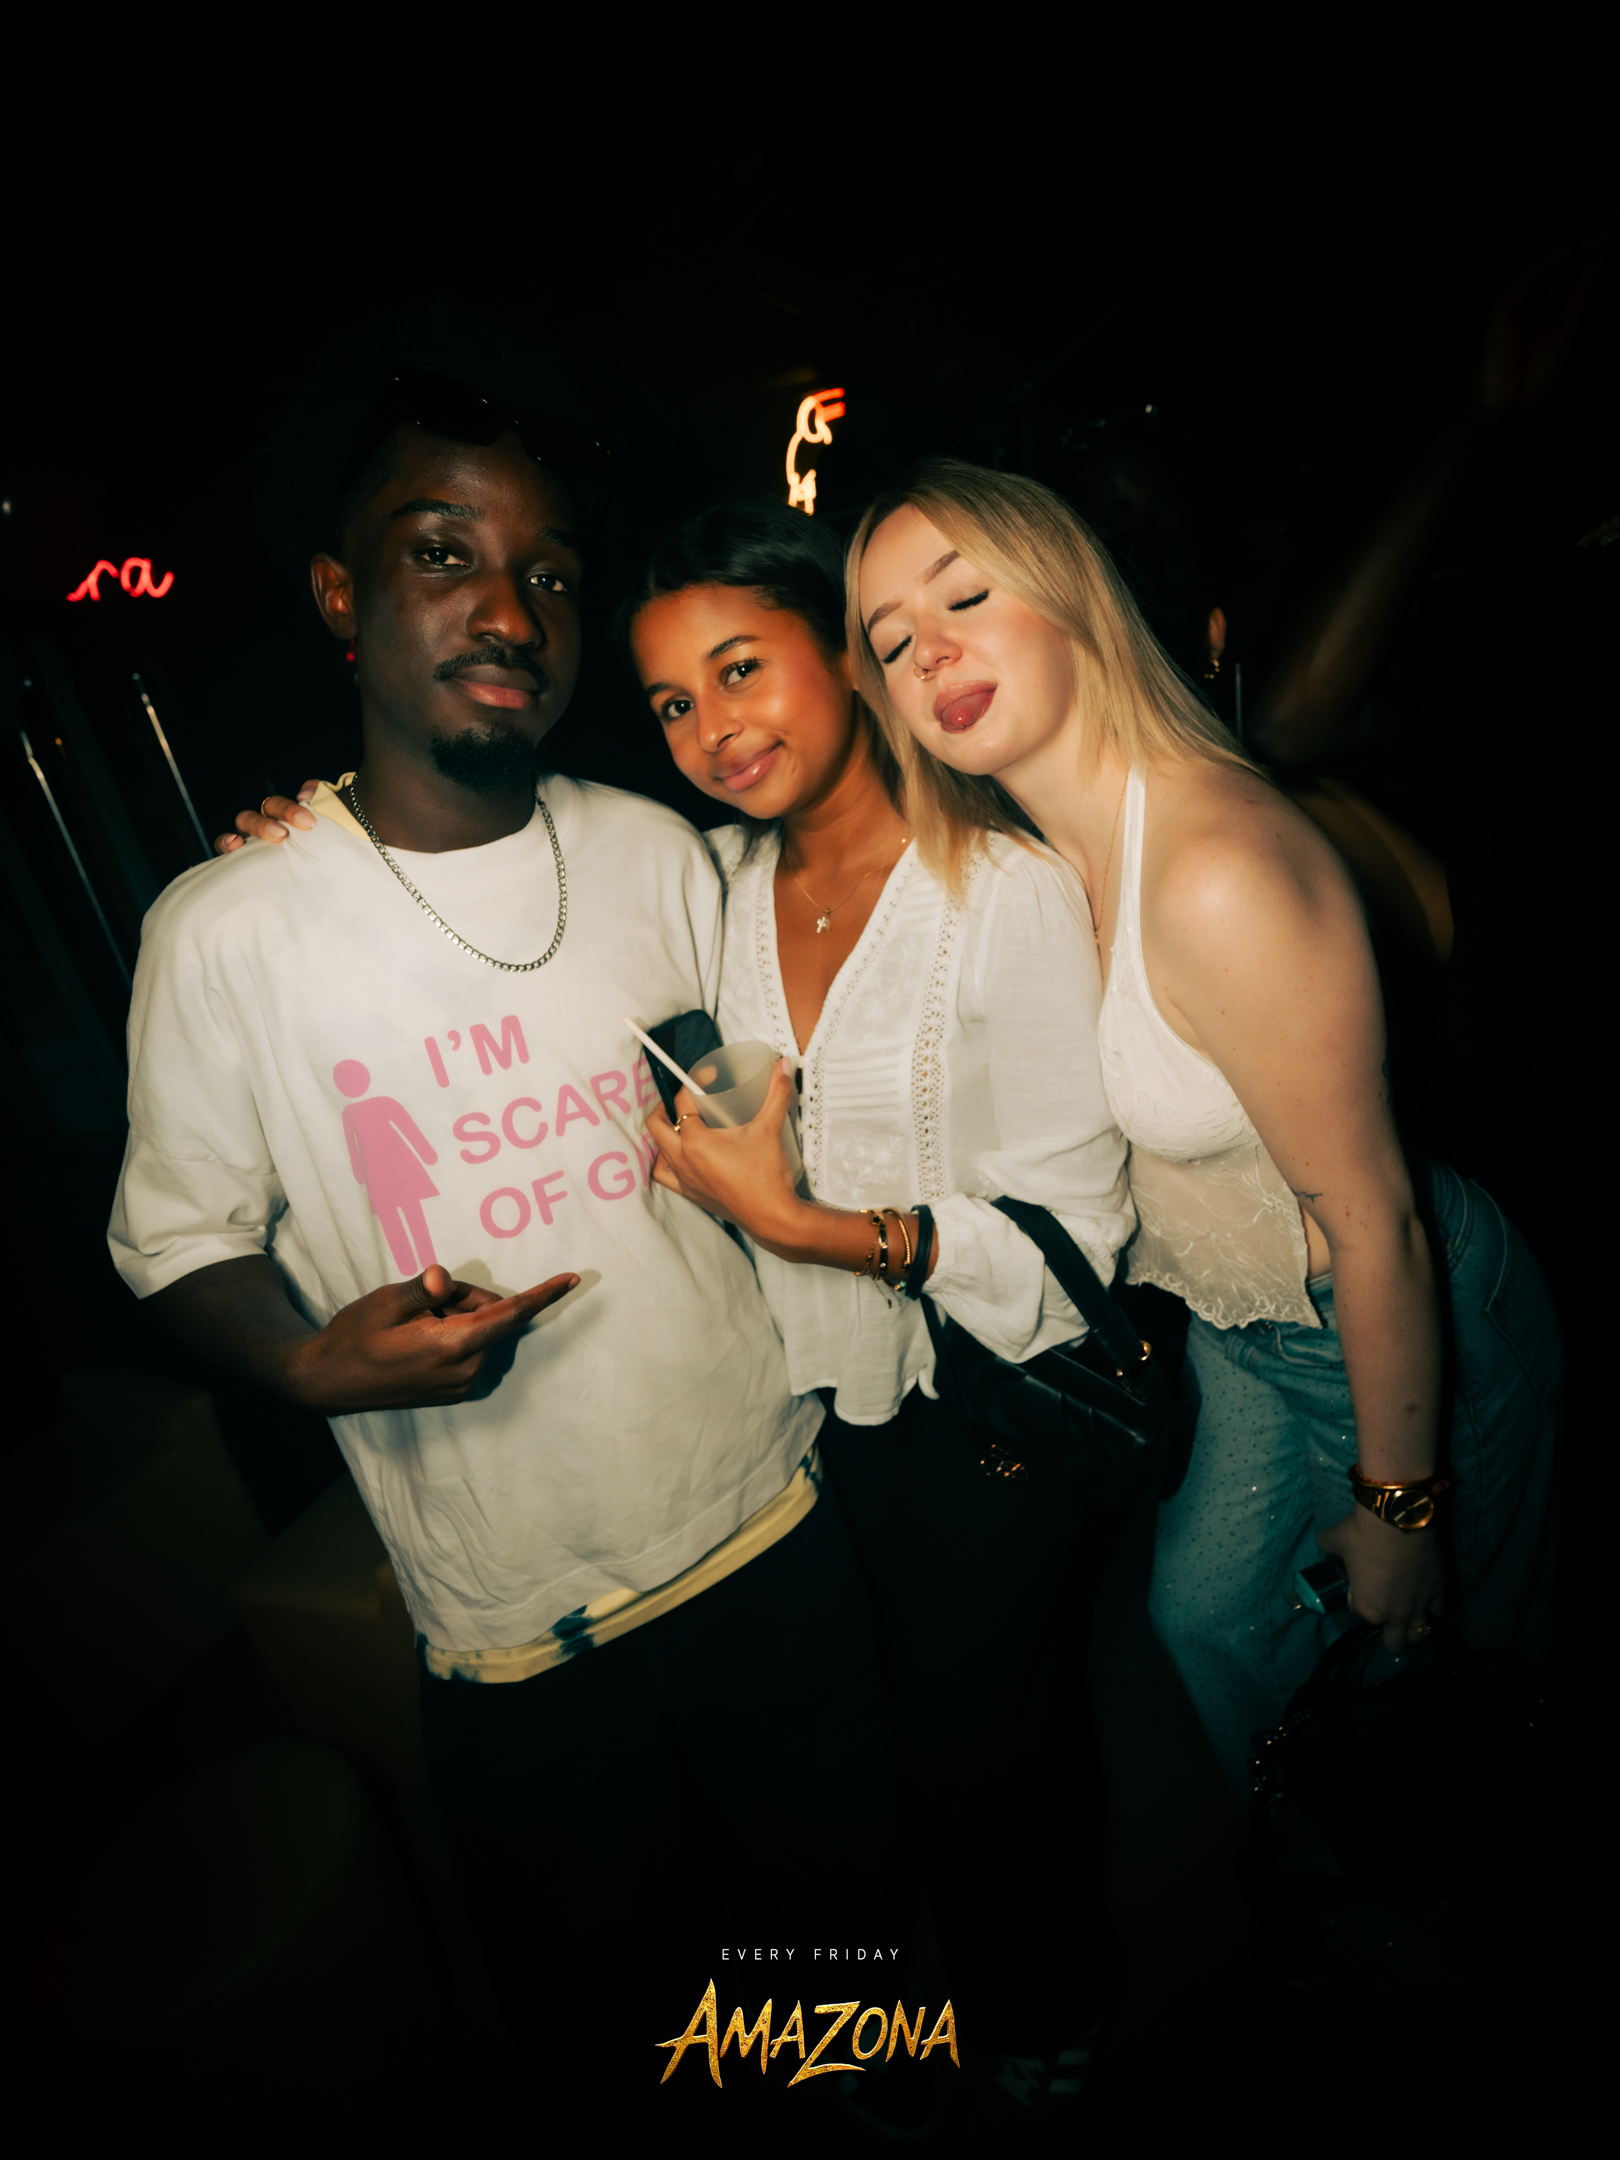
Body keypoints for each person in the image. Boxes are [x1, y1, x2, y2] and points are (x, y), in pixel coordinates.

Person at [238, 495, 1136, 2128]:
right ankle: (864, 2039)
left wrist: (815, 1227)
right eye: (669, 701)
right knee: (856, 1774)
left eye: (741, 669)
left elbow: (1081, 1228)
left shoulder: (1001, 888)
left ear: (846, 658)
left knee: (979, 1737)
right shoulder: (707, 882)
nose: (711, 730)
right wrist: (309, 839)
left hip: (979, 1410)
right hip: (802, 1413)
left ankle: (1041, 2002)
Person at [111, 330, 894, 2117]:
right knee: (603, 2032)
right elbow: (173, 1238)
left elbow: (757, 1106)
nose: (508, 608)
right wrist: (304, 1365)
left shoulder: (657, 850)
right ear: (340, 593)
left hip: (772, 1522)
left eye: (547, 572)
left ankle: (850, 2081)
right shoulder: (227, 933)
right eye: (442, 551)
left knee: (832, 1937)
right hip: (521, 1630)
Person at [847, 458, 1561, 1804]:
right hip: (1237, 1329)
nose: (926, 650)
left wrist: (1403, 1502)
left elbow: (1379, 1222)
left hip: (1392, 1322)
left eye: (963, 596)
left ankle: (1435, 1914)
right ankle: (1332, 1880)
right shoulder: (1031, 867)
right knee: (1211, 1626)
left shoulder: (1215, 870)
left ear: (1072, 596)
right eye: (890, 641)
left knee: (1435, 1705)